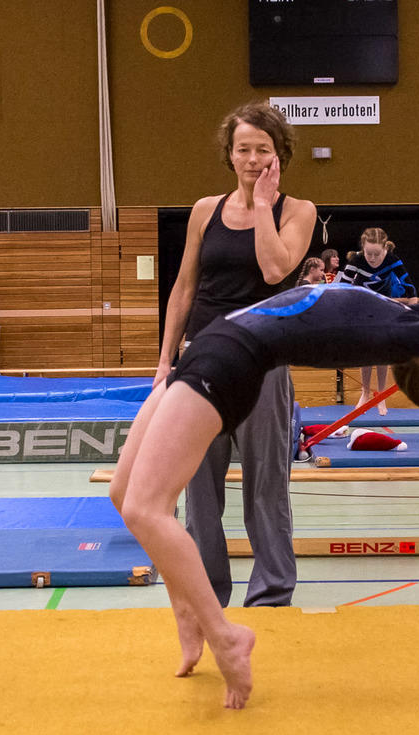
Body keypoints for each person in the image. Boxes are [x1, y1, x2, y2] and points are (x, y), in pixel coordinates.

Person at [110, 284, 419, 708]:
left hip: (231, 361)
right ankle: (189, 611)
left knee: (145, 509)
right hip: (209, 344)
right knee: (122, 491)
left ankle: (226, 637)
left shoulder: (405, 335)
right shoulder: (409, 313)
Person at [154, 102, 316, 612]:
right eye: (243, 149)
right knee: (199, 490)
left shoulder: (298, 211)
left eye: (262, 150)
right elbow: (184, 288)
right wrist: (165, 363)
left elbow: (274, 270)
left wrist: (263, 206)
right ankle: (206, 597)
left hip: (261, 364)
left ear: (279, 155)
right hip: (202, 362)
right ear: (229, 153)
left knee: (266, 488)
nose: (251, 159)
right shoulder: (205, 210)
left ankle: (270, 597)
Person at [334, 227, 417, 413]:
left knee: (382, 353)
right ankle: (365, 393)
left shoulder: (392, 260)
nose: (371, 258)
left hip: (383, 305)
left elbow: (409, 287)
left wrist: (413, 311)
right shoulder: (357, 260)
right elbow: (342, 287)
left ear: (385, 248)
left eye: (376, 254)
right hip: (363, 305)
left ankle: (381, 396)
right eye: (368, 253)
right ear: (362, 248)